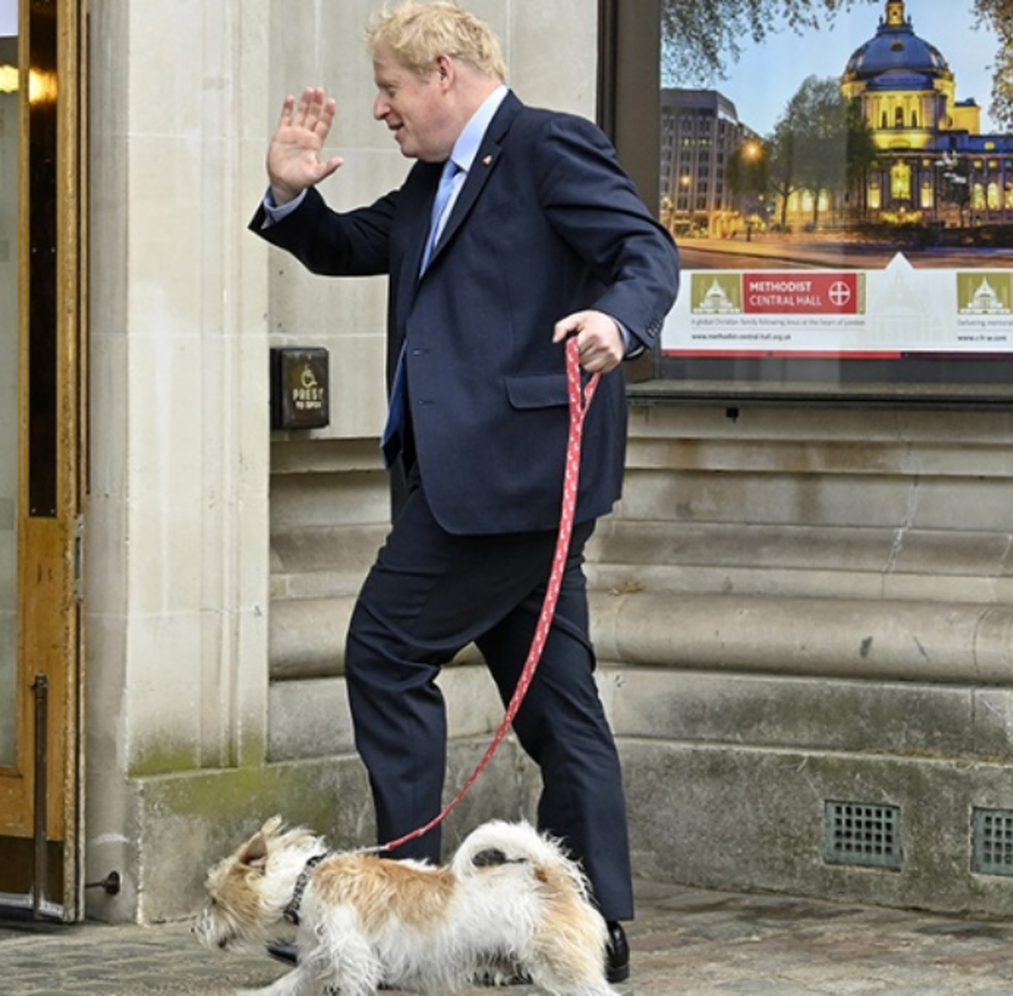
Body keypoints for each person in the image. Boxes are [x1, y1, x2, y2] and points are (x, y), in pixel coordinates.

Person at [251, 1, 678, 983]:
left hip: (512, 483)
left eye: (393, 90)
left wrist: (619, 323)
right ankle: (594, 929)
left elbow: (644, 251)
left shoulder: (547, 146)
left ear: (444, 73)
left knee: (385, 649)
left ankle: (399, 917)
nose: (382, 110)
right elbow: (350, 245)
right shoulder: (431, 180)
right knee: (561, 712)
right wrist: (288, 195)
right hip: (474, 485)